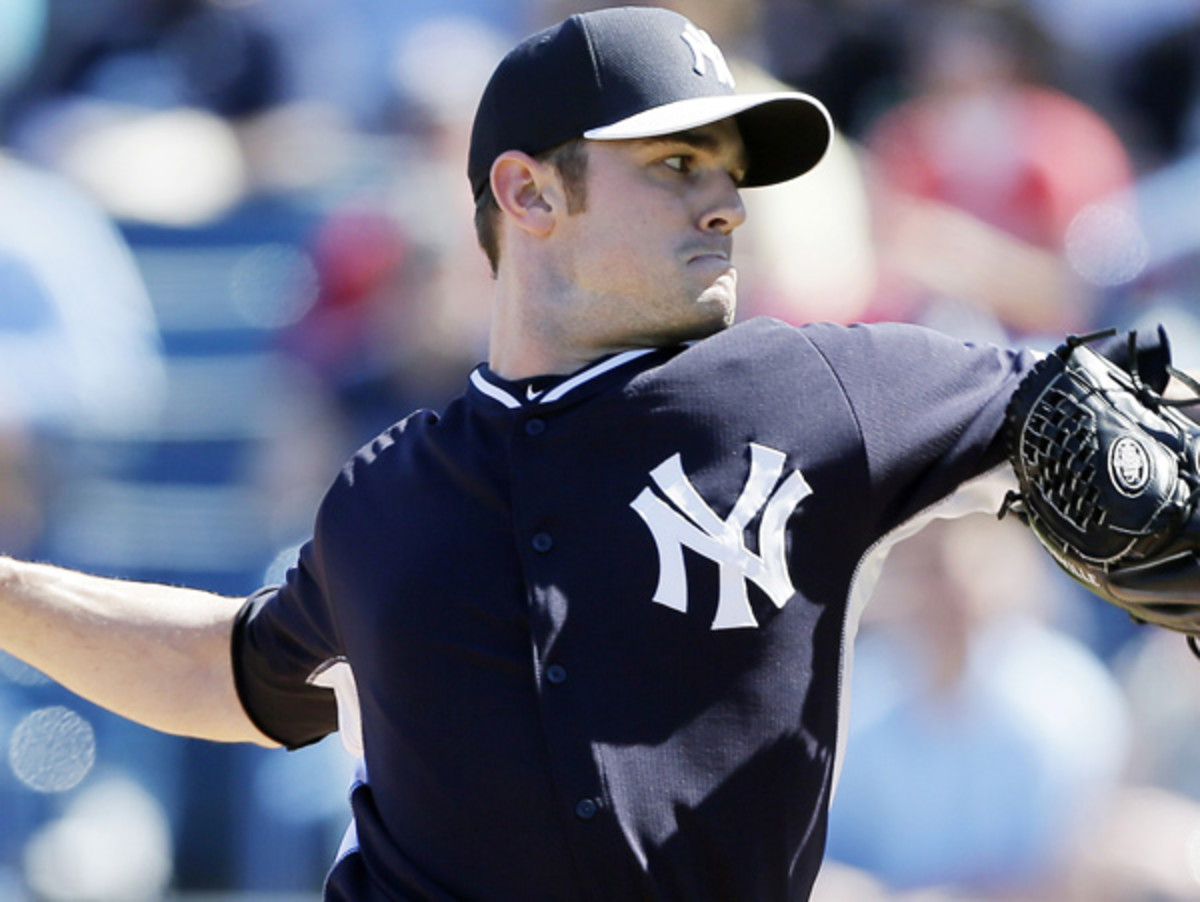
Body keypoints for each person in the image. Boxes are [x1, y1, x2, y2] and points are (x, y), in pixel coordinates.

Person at [0, 6, 1155, 900]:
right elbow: (240, 673)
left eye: (730, 173)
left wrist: (1151, 475)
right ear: (528, 190)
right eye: (675, 166)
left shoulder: (819, 389)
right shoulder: (392, 487)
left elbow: (1092, 406)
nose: (727, 207)